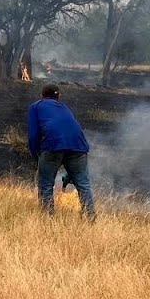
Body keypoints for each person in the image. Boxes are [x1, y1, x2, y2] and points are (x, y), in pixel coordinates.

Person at [26, 84, 96, 220]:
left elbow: (33, 135)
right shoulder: (64, 107)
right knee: (83, 183)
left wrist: (36, 155)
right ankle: (90, 217)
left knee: (46, 184)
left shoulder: (36, 106)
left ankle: (48, 219)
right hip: (78, 146)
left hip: (53, 145)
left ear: (42, 95)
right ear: (59, 96)